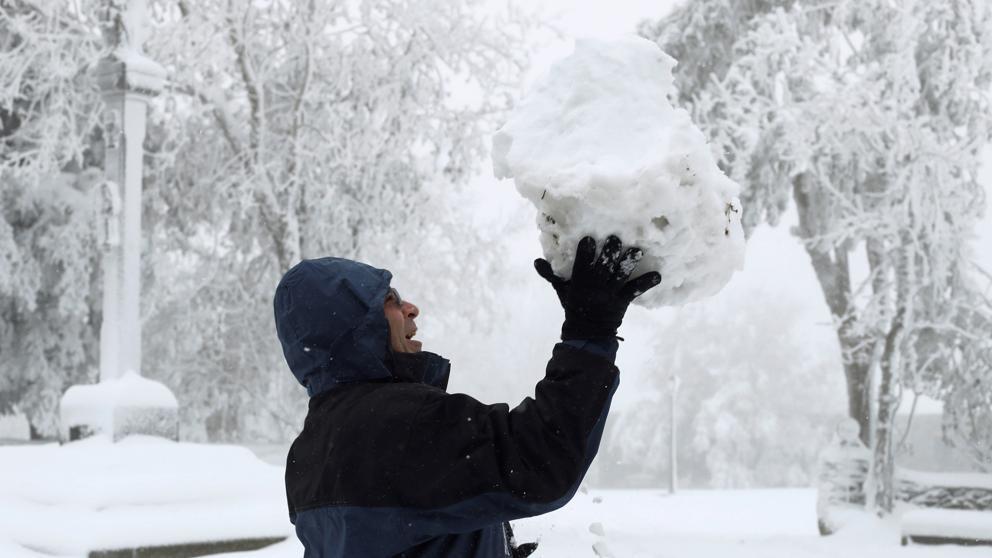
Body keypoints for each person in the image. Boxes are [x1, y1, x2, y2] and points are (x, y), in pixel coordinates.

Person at [273, 236, 661, 557]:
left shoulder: (307, 455)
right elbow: (541, 460)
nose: (411, 308)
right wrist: (589, 335)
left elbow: (407, 532)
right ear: (353, 328)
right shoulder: (400, 422)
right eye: (389, 299)